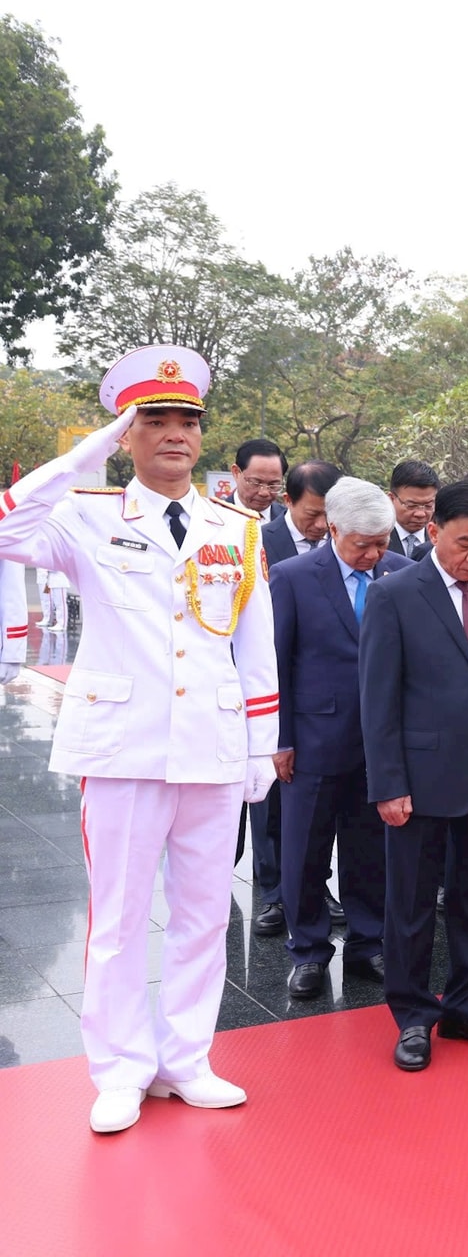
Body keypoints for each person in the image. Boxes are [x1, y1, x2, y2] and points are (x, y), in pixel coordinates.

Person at [0, 345, 278, 1133]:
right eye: (153, 419)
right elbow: (7, 529)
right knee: (119, 917)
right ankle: (119, 1068)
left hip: (213, 746)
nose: (175, 434)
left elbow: (255, 646)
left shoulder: (239, 528)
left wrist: (262, 745)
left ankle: (185, 1058)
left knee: (203, 912)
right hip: (122, 745)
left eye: (187, 419)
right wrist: (84, 449)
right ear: (127, 432)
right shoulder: (86, 515)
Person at [360, 481, 468, 1072]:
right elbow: (377, 699)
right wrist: (388, 783)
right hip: (419, 775)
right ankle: (412, 1015)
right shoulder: (394, 594)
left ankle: (464, 1003)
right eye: (466, 543)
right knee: (409, 902)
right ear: (434, 531)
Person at [270, 477, 409, 999]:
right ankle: (307, 950)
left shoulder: (403, 574)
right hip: (314, 737)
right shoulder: (293, 577)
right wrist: (279, 738)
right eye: (364, 544)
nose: (375, 554)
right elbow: (276, 664)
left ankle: (367, 943)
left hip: (383, 745)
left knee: (370, 848)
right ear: (332, 530)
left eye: (383, 541)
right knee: (304, 850)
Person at [243, 457, 344, 939]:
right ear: (289, 502)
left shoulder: (344, 547)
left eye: (329, 515)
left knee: (315, 818)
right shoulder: (257, 543)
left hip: (326, 701)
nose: (321, 525)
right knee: (272, 806)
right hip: (273, 688)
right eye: (312, 515)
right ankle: (272, 894)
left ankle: (314, 889)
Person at [387, 460, 438, 559]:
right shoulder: (376, 539)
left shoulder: (441, 541)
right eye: (411, 505)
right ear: (391, 499)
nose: (420, 514)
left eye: (428, 505)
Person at [230, 438, 288, 520]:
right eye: (255, 483)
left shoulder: (289, 521)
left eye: (273, 485)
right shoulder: (212, 517)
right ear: (236, 472)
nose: (264, 493)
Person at [36, 563, 68, 632]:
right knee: (48, 600)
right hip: (49, 580)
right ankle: (49, 619)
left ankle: (61, 623)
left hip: (59, 579)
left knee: (60, 603)